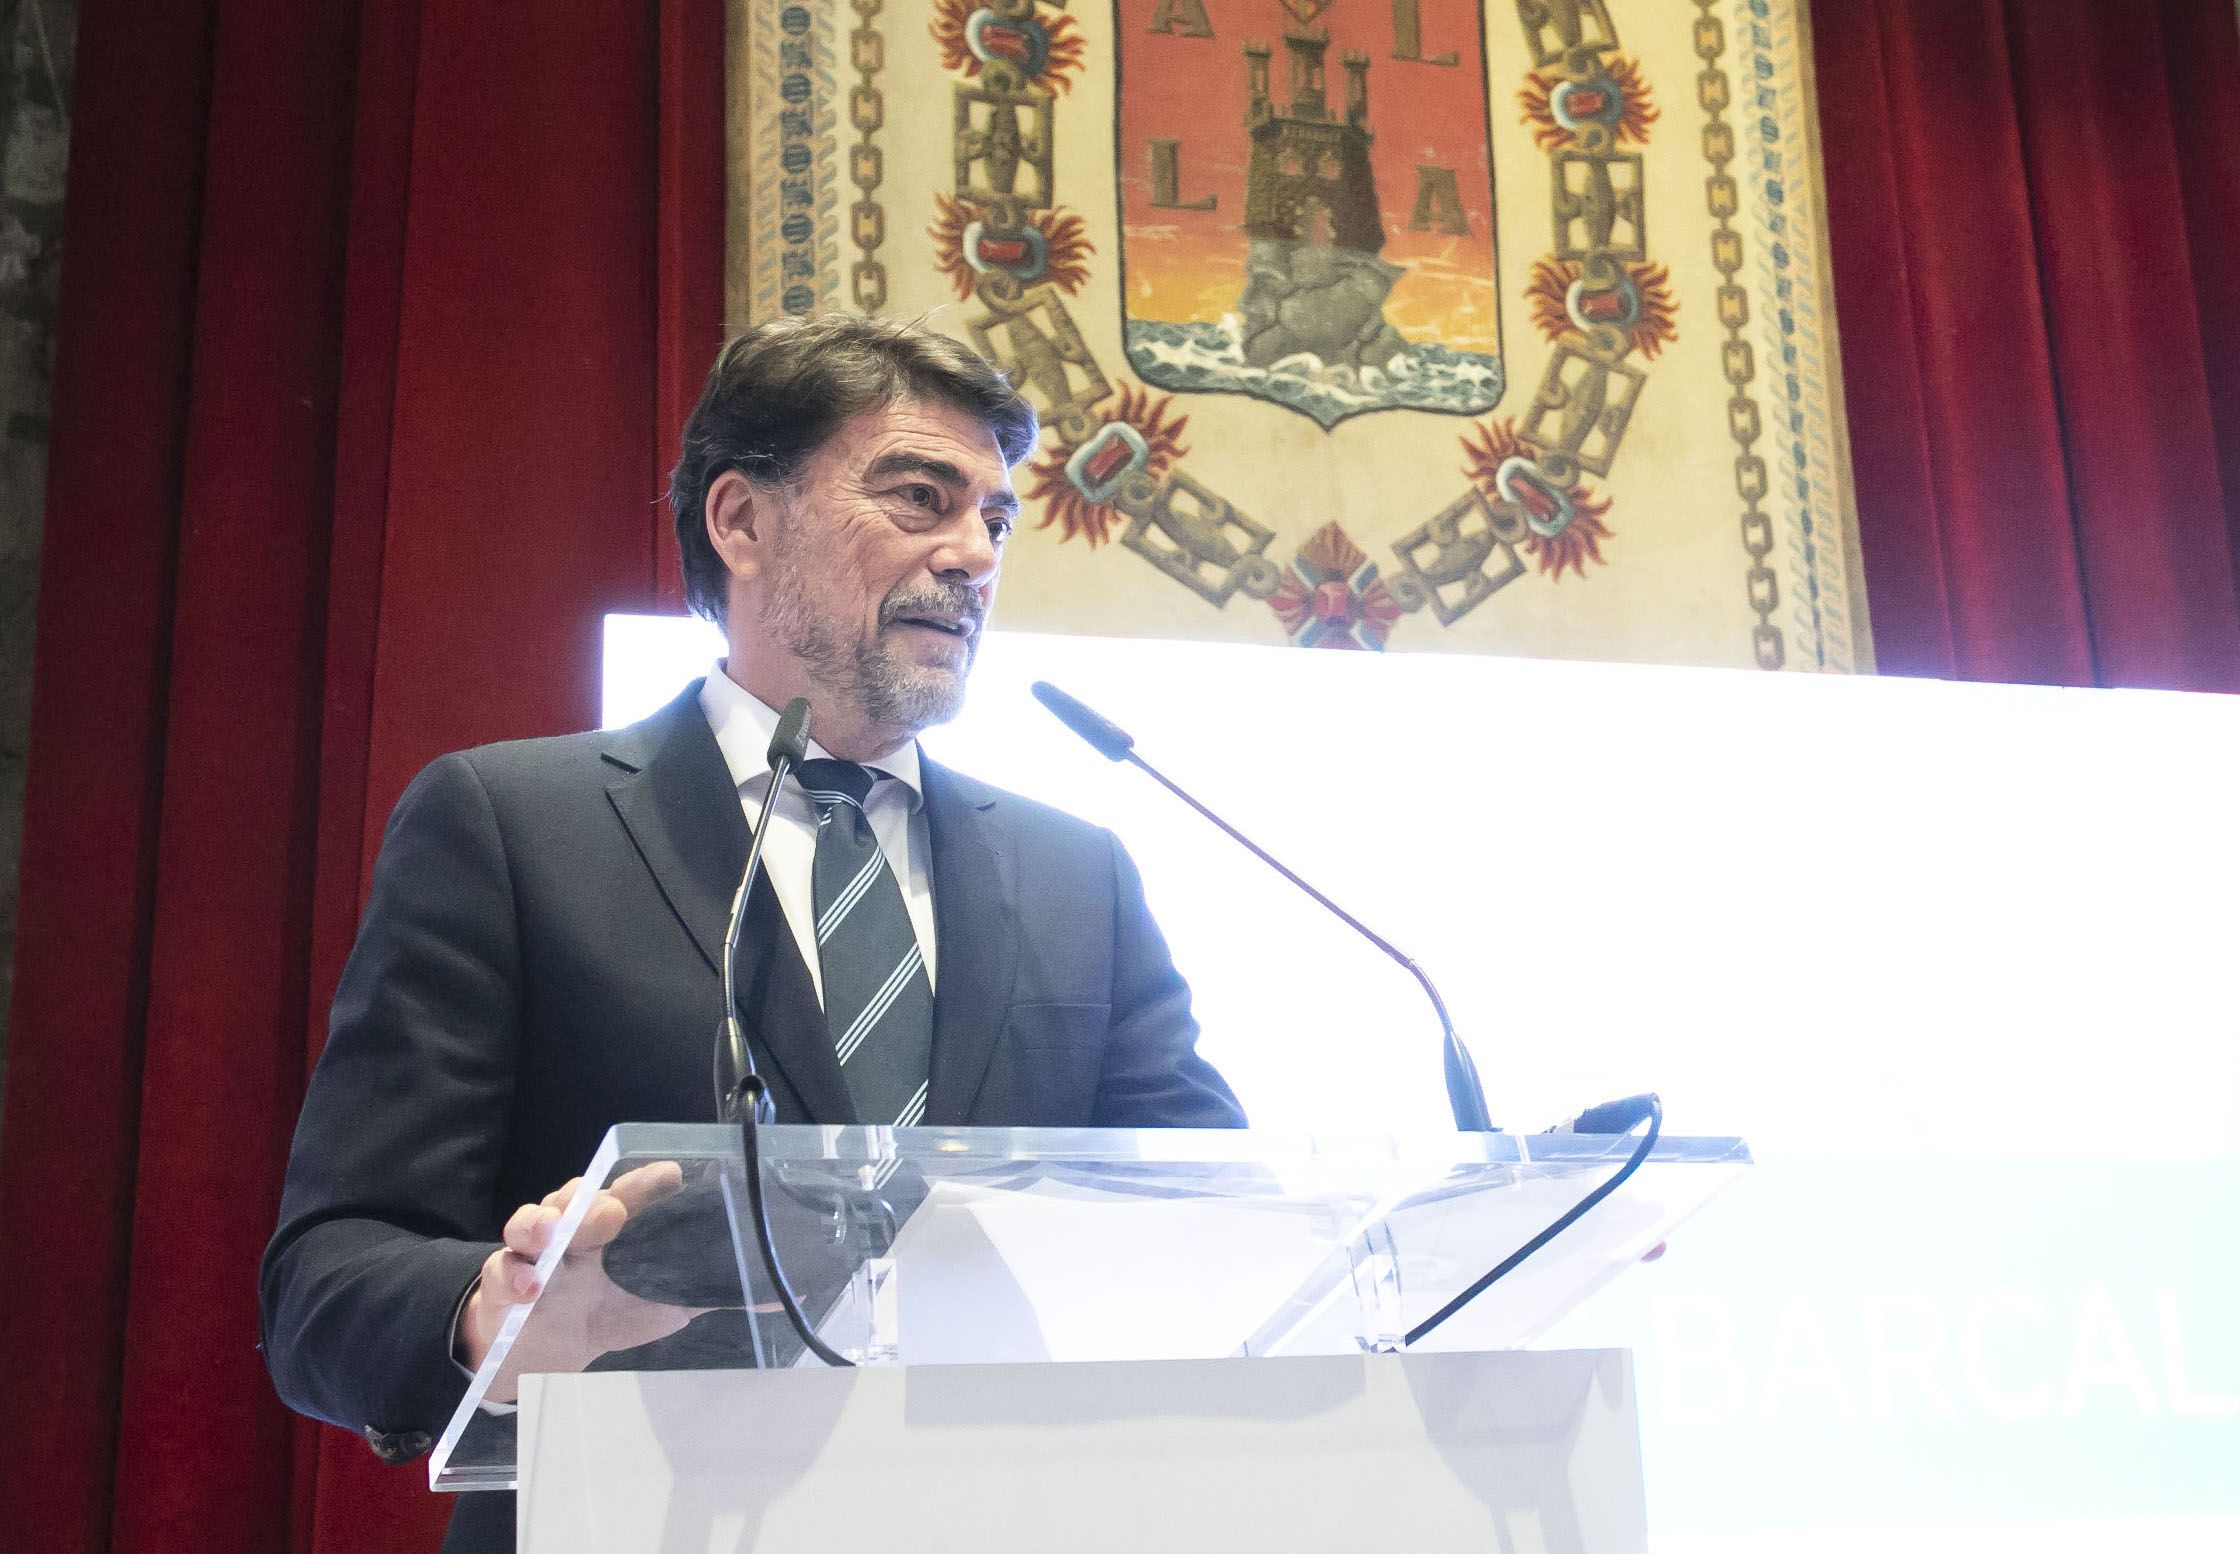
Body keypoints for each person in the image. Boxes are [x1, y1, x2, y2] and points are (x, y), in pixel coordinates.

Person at [259, 313, 1244, 1553]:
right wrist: (495, 1312)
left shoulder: (1075, 875)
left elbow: (1212, 1218)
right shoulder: (513, 826)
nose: (974, 555)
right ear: (741, 522)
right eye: (919, 497)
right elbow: (326, 1284)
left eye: (994, 518)